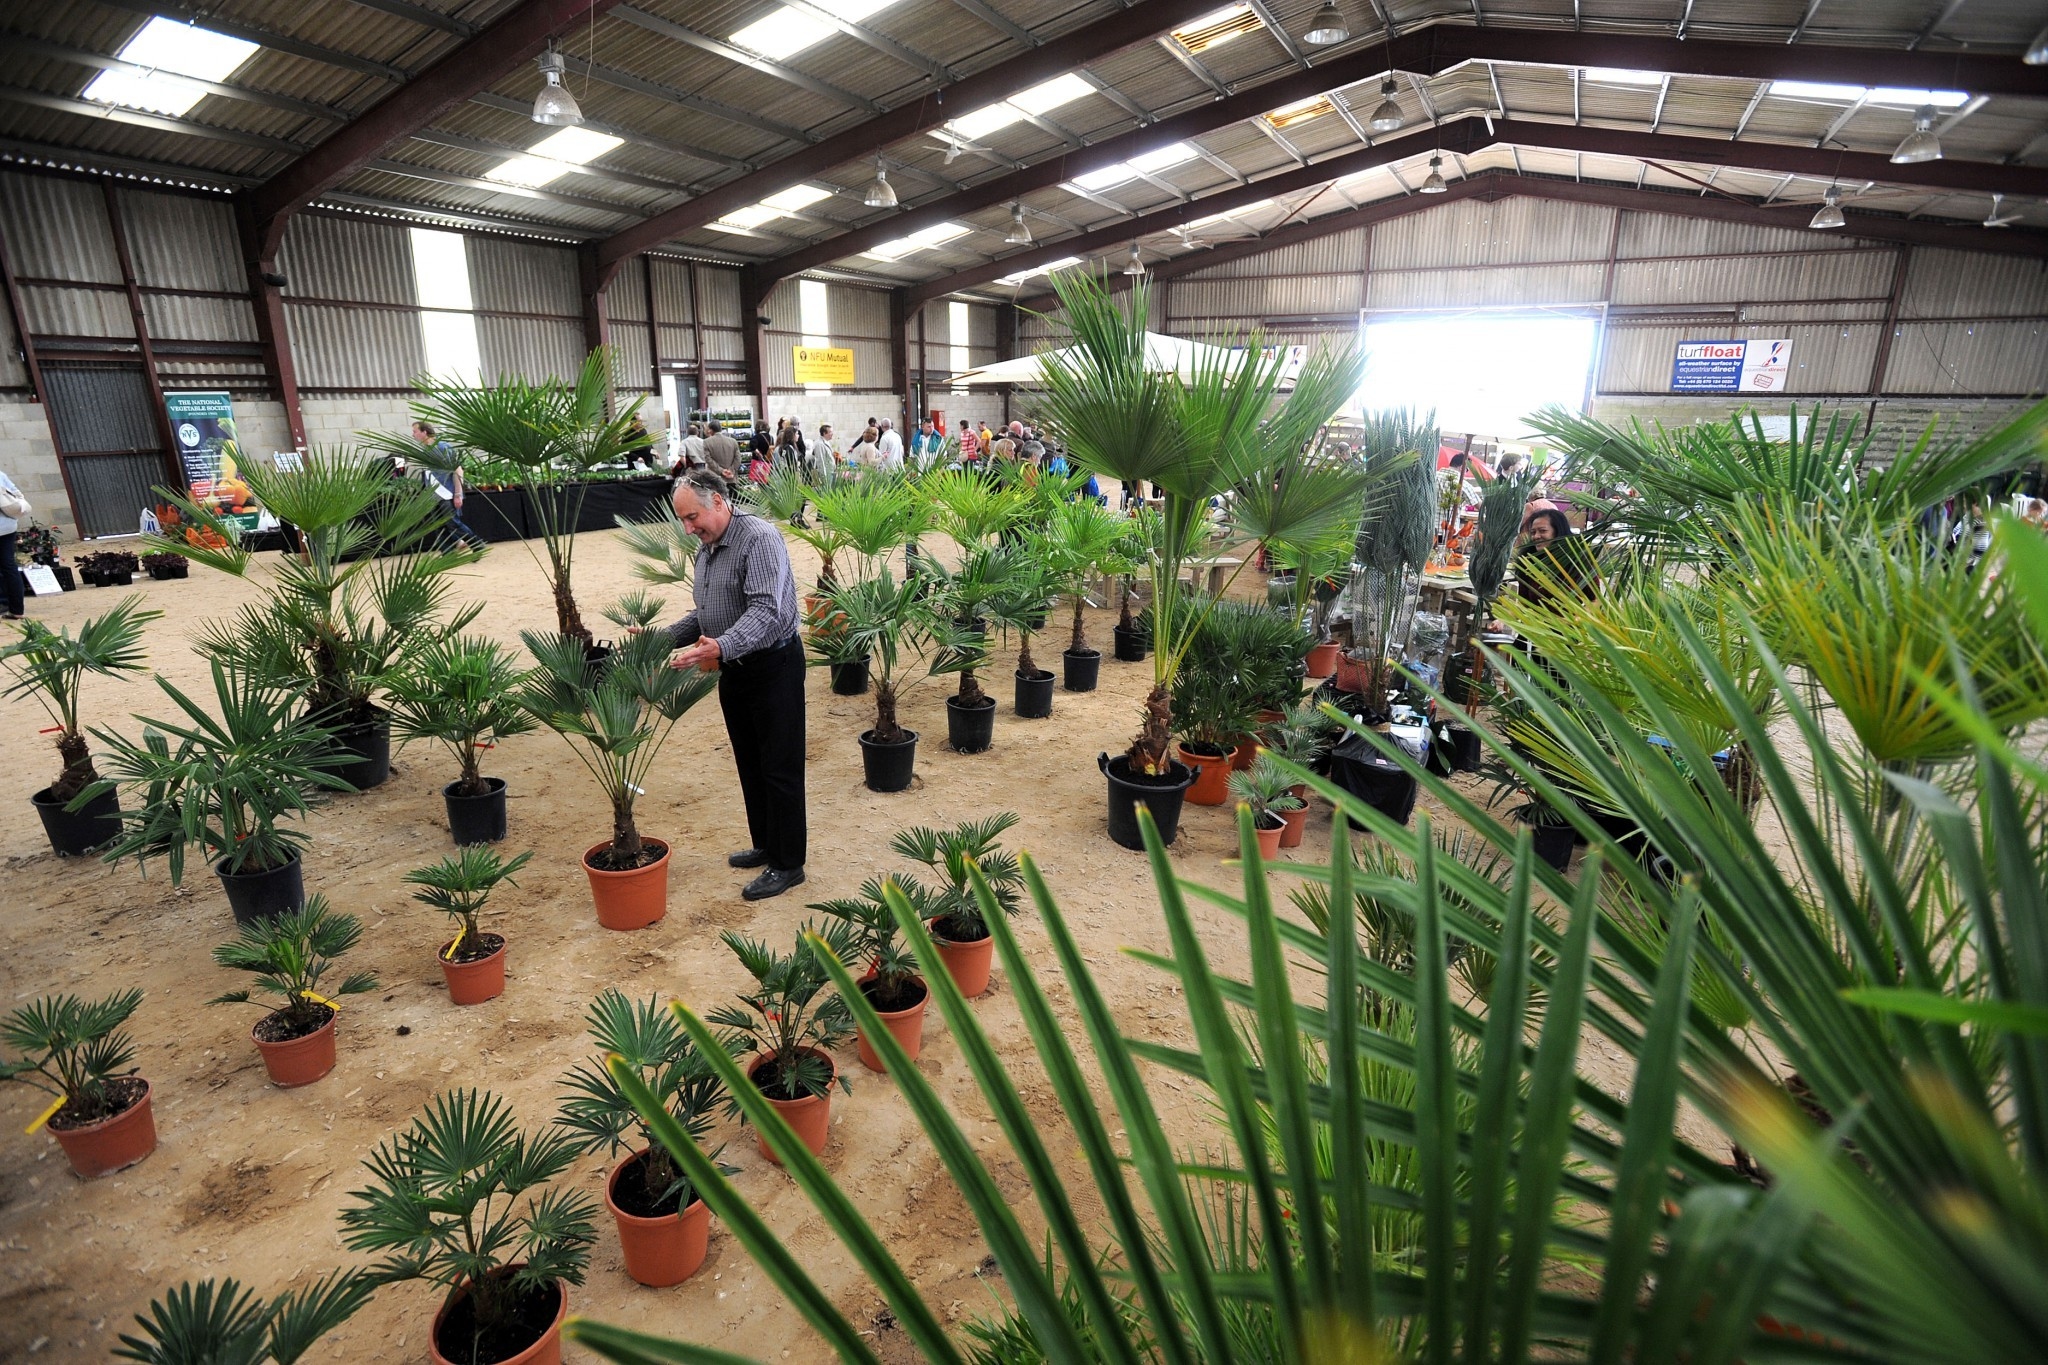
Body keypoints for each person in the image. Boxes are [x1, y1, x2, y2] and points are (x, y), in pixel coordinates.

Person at [658, 471, 807, 900]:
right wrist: (661, 639)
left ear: (719, 501)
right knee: (750, 760)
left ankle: (787, 863)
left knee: (780, 766)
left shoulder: (759, 539)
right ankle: (766, 843)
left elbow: (766, 612)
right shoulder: (706, 550)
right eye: (683, 520)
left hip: (773, 664)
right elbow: (706, 613)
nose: (688, 528)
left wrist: (718, 647)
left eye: (693, 517)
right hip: (732, 667)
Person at [1512, 508, 1598, 609]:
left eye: (1542, 531)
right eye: (1533, 532)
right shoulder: (1528, 560)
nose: (1536, 536)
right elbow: (1524, 603)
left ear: (1558, 532)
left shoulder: (1577, 560)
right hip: (1535, 622)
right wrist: (1503, 619)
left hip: (1569, 623)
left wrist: (1577, 619)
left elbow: (1596, 600)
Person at [411, 420, 476, 548]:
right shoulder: (425, 450)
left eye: (415, 431)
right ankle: (448, 552)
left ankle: (476, 544)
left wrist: (458, 493)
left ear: (424, 432)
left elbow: (457, 470)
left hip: (447, 493)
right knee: (439, 526)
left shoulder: (442, 447)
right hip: (433, 494)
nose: (413, 435)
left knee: (453, 523)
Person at [0, 467, 29, 621]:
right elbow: (17, 494)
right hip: (7, 526)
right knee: (9, 566)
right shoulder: (1, 475)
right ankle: (17, 610)